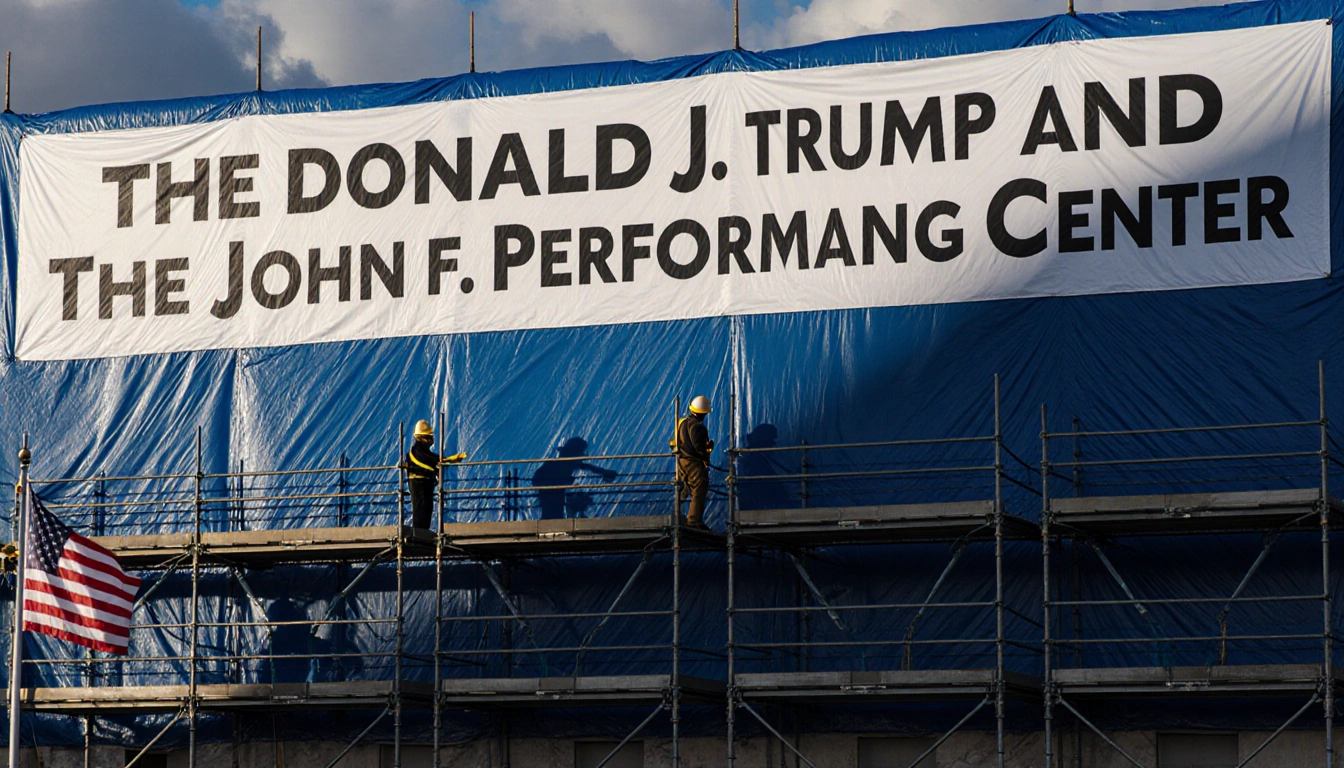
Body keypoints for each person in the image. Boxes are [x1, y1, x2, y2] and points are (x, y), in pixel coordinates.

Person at [531, 437, 617, 520]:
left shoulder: (565, 464)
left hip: (552, 490)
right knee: (553, 511)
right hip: (551, 490)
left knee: (556, 510)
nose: (582, 456)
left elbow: (585, 466)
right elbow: (585, 466)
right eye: (581, 453)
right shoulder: (559, 465)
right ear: (574, 453)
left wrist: (603, 471)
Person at [405, 420, 466, 529]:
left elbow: (433, 459)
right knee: (421, 510)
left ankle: (423, 532)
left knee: (427, 508)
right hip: (419, 483)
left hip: (425, 484)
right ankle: (419, 534)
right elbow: (430, 460)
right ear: (421, 438)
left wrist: (448, 460)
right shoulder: (416, 451)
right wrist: (447, 460)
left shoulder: (421, 450)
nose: (431, 441)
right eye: (429, 438)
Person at [671, 395, 714, 529]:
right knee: (698, 489)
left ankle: (676, 517)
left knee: (682, 490)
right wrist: (707, 451)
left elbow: (672, 442)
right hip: (693, 462)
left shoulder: (681, 422)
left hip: (681, 461)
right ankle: (694, 521)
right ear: (703, 413)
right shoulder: (697, 426)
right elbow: (699, 447)